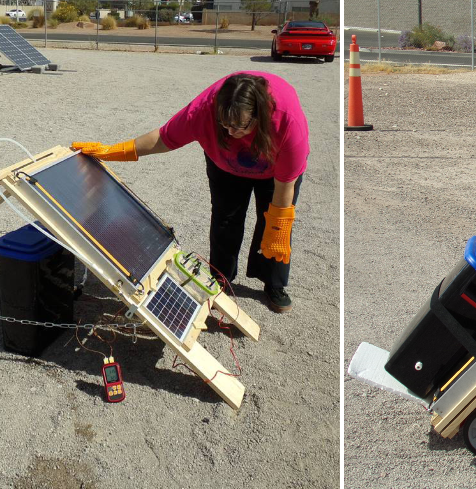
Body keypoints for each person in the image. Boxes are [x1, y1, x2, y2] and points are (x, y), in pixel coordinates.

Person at [72, 71, 309, 313]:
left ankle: (273, 283)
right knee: (225, 219)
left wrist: (277, 229)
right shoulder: (203, 110)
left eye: (238, 127)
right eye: (224, 125)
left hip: (273, 171)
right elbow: (162, 139)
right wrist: (112, 151)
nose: (229, 133)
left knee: (274, 229)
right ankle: (220, 279)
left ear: (259, 117)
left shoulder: (286, 121)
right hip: (225, 166)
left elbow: (285, 187)